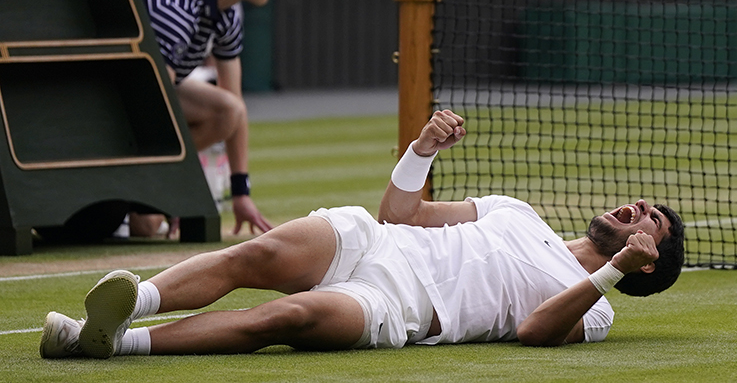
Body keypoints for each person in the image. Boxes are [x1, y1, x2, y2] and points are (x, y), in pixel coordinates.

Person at [39, 109, 685, 358]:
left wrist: (611, 273)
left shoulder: (594, 306)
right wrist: (422, 150)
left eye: (649, 219)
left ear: (647, 263)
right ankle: (132, 303)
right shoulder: (516, 211)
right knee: (257, 252)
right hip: (380, 243)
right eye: (642, 204)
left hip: (400, 306)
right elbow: (400, 213)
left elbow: (533, 332)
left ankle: (114, 346)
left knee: (283, 318)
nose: (635, 208)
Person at [132, 0, 301, 237]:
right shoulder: (177, 6)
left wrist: (241, 193)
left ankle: (142, 191)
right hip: (117, 99)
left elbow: (233, 108)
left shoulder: (226, 14)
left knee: (228, 110)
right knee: (146, 220)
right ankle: (139, 182)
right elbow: (153, 103)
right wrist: (176, 186)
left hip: (142, 97)